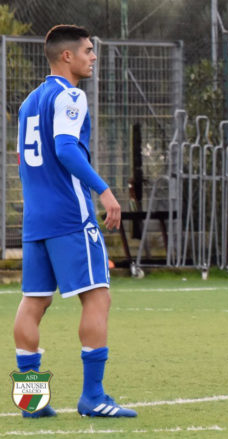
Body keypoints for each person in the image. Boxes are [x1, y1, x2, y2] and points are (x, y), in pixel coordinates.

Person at [14, 25, 135, 418]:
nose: (93, 57)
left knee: (34, 301)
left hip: (36, 219)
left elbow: (24, 160)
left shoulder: (28, 102)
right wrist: (104, 191)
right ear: (66, 56)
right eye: (87, 50)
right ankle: (93, 397)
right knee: (98, 296)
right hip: (69, 215)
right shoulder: (70, 95)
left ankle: (31, 402)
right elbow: (66, 150)